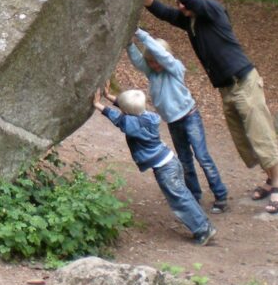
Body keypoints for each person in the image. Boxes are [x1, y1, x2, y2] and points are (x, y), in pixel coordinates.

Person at [139, 0, 278, 213]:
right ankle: (268, 178)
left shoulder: (213, 10)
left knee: (260, 133)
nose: (181, 2)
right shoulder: (191, 21)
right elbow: (161, 11)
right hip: (227, 88)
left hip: (243, 82)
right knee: (245, 138)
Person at [93, 86, 217, 245]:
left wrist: (98, 105)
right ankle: (204, 225)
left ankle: (202, 230)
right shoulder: (149, 116)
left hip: (164, 169)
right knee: (184, 195)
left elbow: (118, 118)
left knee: (179, 200)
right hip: (171, 161)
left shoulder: (133, 125)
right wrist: (109, 96)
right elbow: (127, 110)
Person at [126, 27, 229, 214]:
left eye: (157, 62)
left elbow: (162, 56)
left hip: (190, 117)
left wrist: (142, 35)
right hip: (173, 123)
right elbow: (137, 61)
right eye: (151, 63)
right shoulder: (152, 73)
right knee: (185, 160)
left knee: (202, 156)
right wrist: (128, 42)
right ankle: (194, 195)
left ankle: (220, 194)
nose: (155, 66)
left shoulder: (175, 68)